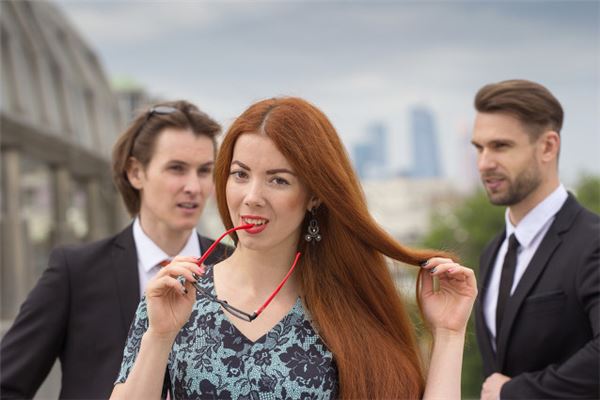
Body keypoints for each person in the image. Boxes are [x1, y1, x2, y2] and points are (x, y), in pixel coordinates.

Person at [111, 96, 477, 399]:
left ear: (315, 195)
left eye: (279, 180)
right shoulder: (175, 296)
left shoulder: (348, 304)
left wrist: (449, 334)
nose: (252, 197)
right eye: (241, 174)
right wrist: (159, 336)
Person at [0, 100, 231, 399]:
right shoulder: (75, 272)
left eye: (204, 171)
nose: (194, 187)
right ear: (135, 172)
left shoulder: (234, 265)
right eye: (177, 168)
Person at [471, 79, 600, 399]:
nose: (484, 163)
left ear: (548, 146)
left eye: (500, 146)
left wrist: (514, 392)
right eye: (479, 148)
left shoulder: (593, 243)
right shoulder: (492, 253)